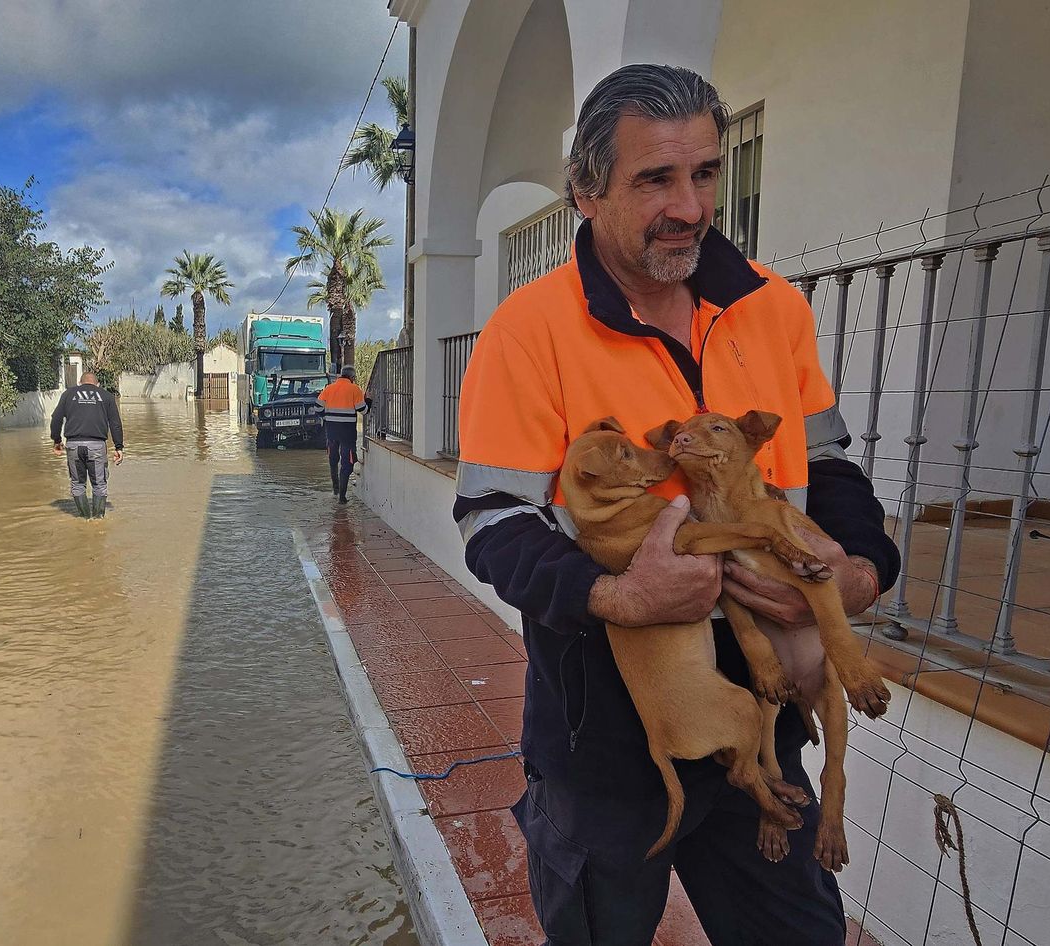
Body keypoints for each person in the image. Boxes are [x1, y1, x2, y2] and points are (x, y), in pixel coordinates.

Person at [454, 64, 900, 945]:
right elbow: (493, 524)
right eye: (656, 178)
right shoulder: (528, 330)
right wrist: (618, 596)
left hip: (763, 722)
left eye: (704, 173)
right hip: (611, 750)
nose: (691, 206)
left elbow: (830, 464)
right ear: (586, 191)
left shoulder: (772, 307)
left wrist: (861, 569)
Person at [50, 371, 124, 518]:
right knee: (99, 485)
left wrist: (57, 440)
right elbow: (115, 424)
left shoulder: (68, 394)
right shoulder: (106, 396)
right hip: (96, 445)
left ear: (79, 383)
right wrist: (119, 447)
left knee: (77, 484)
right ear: (98, 384)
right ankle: (98, 519)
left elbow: (56, 418)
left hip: (73, 445)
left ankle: (84, 519)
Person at [317, 365, 367, 504]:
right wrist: (368, 401)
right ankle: (342, 498)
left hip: (331, 431)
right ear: (352, 377)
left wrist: (326, 416)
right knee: (348, 463)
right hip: (347, 433)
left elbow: (317, 407)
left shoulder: (329, 389)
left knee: (333, 460)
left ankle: (335, 490)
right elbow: (363, 410)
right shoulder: (355, 389)